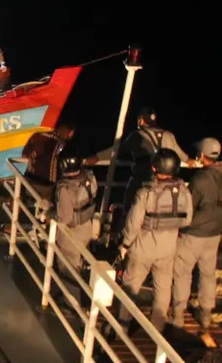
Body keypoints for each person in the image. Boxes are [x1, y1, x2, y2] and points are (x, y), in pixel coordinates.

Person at [86, 107, 197, 241]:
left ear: (141, 120)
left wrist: (97, 157)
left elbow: (116, 151)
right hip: (165, 182)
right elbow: (180, 155)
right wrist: (189, 160)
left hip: (142, 180)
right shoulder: (169, 135)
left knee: (131, 208)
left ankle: (125, 238)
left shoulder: (137, 135)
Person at [117, 149, 194, 333]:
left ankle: (122, 326)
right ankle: (157, 328)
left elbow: (133, 223)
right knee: (163, 289)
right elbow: (187, 220)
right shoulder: (183, 192)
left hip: (143, 248)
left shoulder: (146, 192)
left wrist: (125, 244)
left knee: (131, 286)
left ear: (154, 168)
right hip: (167, 249)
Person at [171, 138, 222, 342]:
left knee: (182, 273)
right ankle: (206, 317)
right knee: (207, 274)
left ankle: (177, 317)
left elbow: (188, 208)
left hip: (194, 234)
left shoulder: (200, 179)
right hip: (215, 233)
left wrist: (182, 228)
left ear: (202, 156)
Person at [53, 147, 97, 297]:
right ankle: (80, 293)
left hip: (71, 234)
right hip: (87, 227)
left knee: (68, 268)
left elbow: (64, 217)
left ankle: (71, 303)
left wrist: (50, 216)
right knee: (81, 263)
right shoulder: (89, 177)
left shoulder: (64, 188)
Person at [21, 121, 76, 203]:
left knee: (19, 200)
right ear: (70, 132)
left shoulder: (37, 135)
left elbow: (24, 154)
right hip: (46, 185)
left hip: (29, 179)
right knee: (46, 209)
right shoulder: (62, 144)